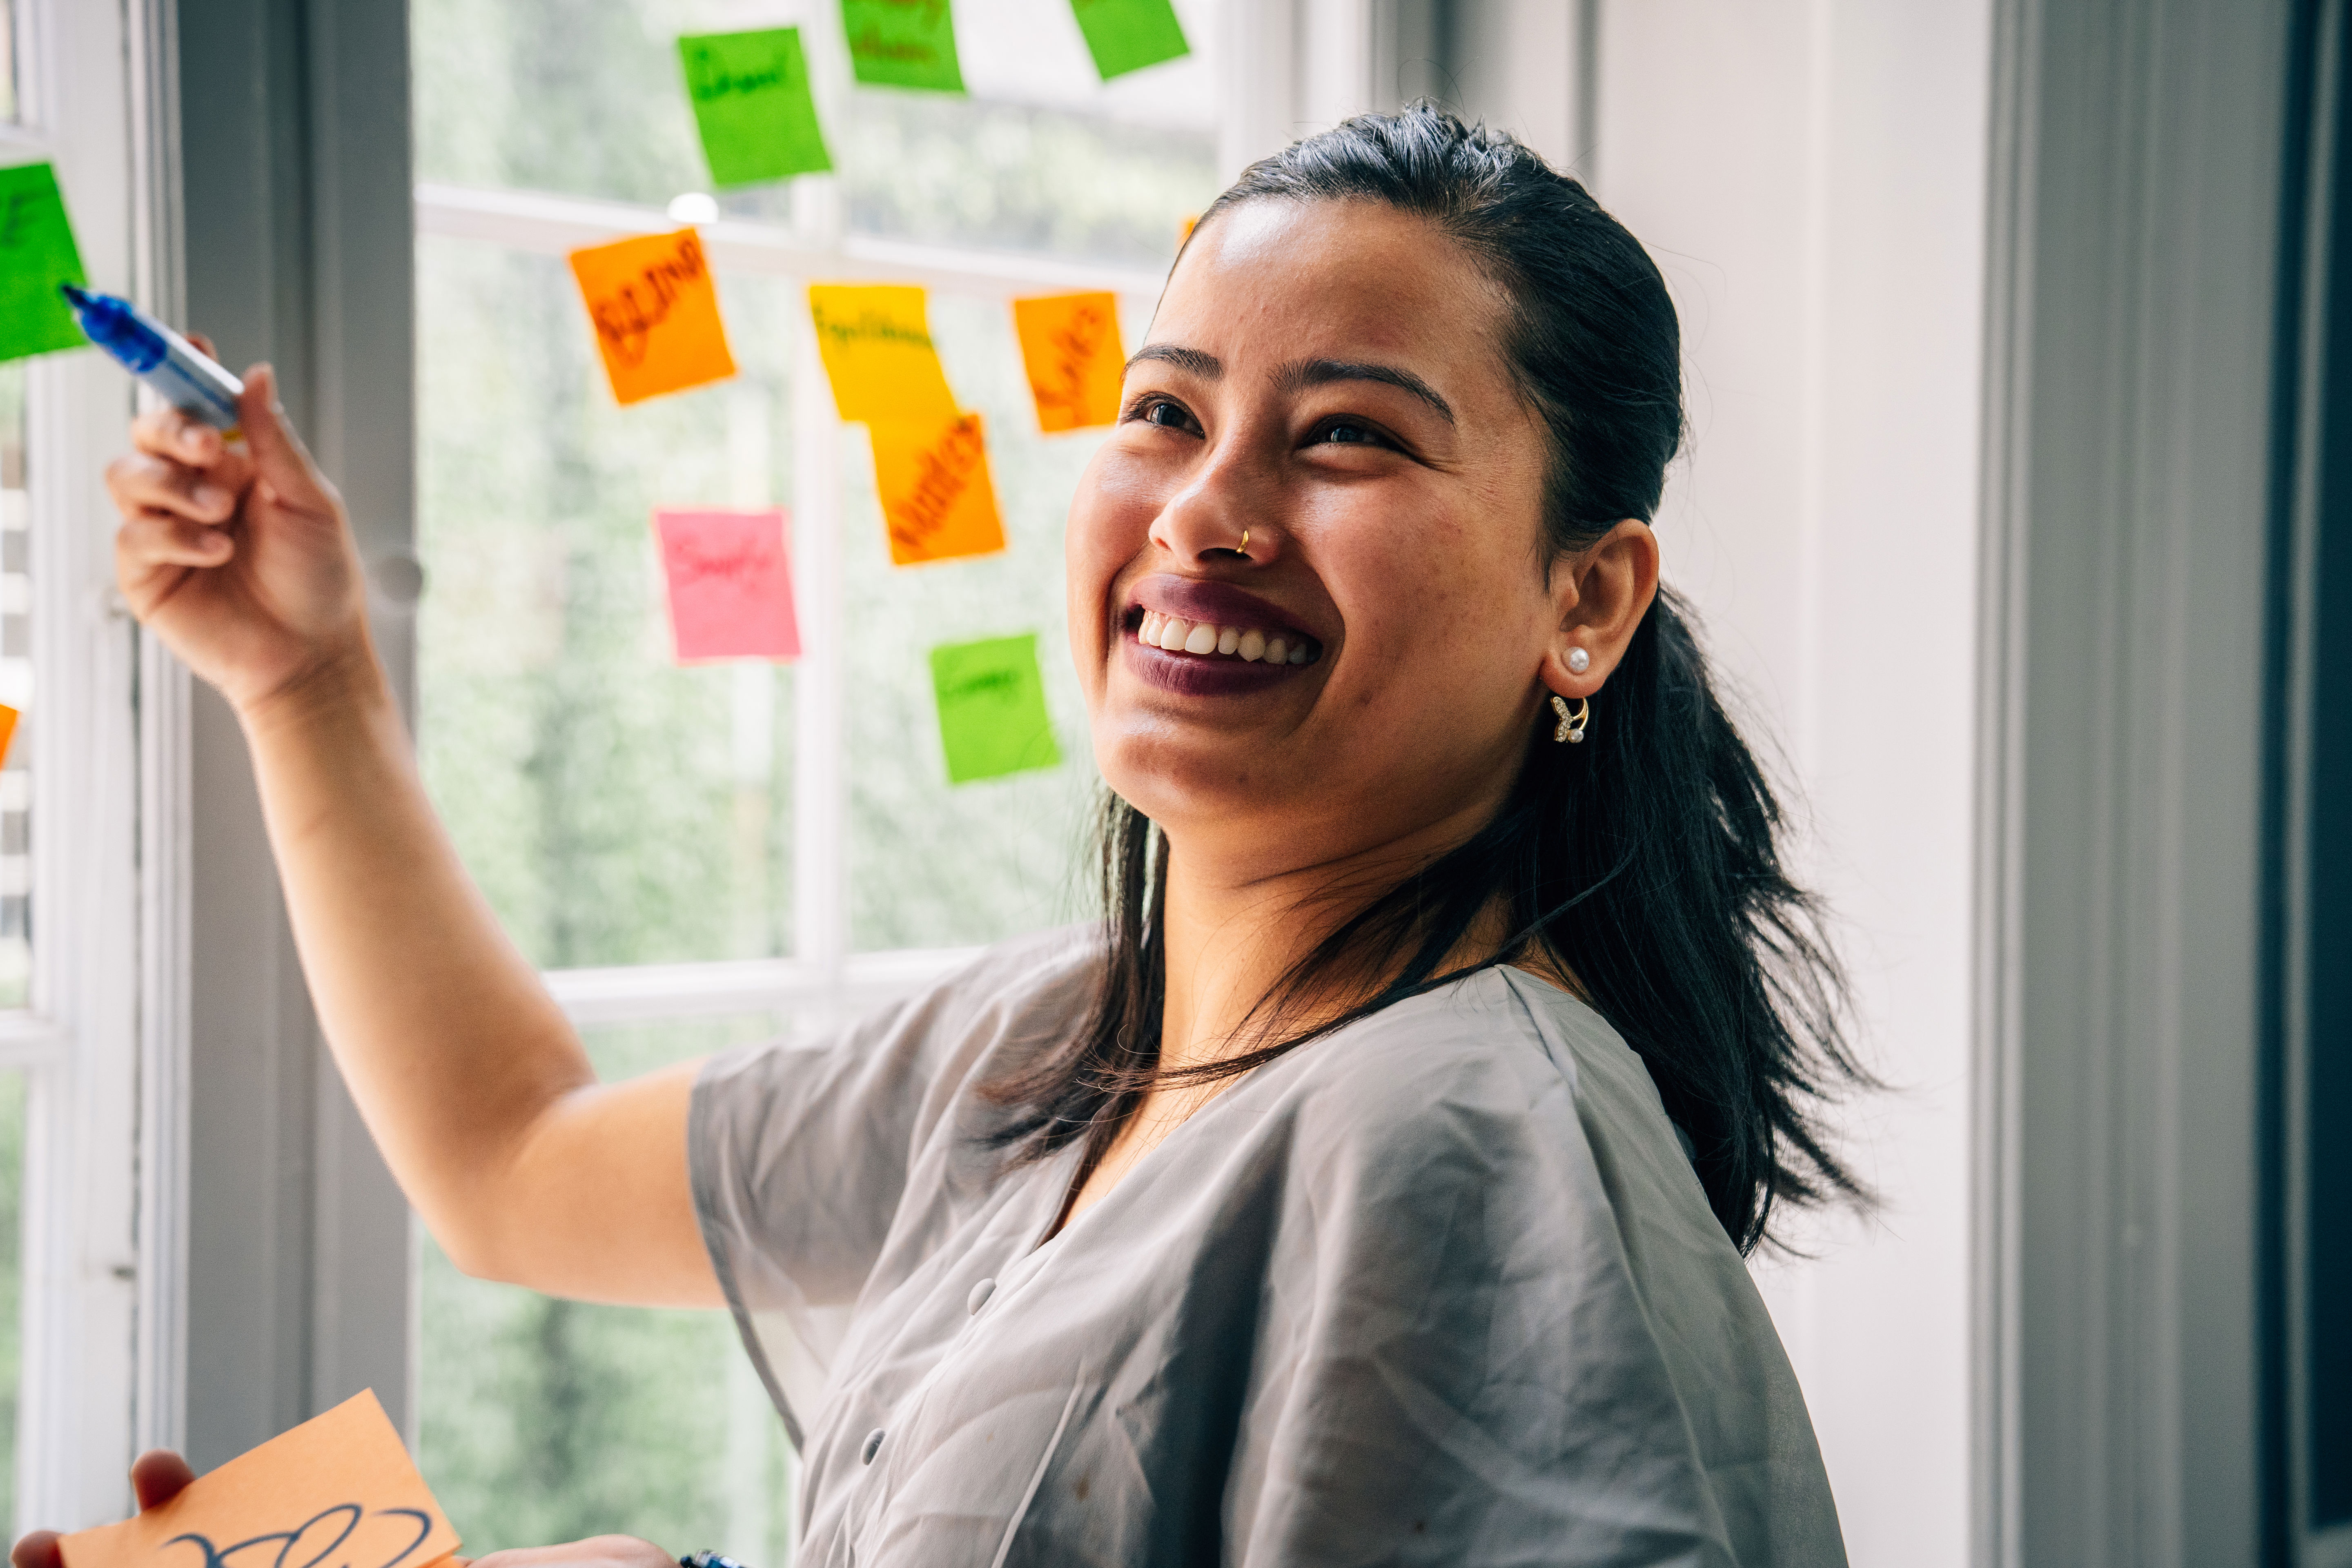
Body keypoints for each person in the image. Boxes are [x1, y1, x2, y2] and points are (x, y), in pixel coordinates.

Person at [19, 106, 1868, 1566]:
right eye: (1166, 409)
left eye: (1350, 439)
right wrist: (302, 674)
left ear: (1590, 601)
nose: (1205, 512)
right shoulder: (1050, 1049)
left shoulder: (1471, 1146)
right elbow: (509, 1164)